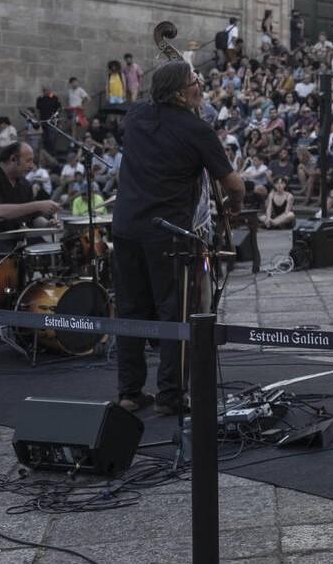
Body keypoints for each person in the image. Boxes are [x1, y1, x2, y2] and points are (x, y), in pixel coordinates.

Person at [110, 60, 245, 415]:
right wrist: (235, 207)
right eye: (193, 81)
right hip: (167, 235)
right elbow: (233, 183)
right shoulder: (196, 129)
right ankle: (170, 395)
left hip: (125, 227)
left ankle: (129, 392)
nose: (199, 84)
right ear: (180, 92)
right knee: (174, 312)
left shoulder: (137, 116)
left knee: (130, 310)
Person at [0, 142, 61, 251]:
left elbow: (33, 218)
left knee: (49, 252)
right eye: (28, 161)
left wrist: (47, 224)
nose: (32, 166)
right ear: (13, 159)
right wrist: (37, 205)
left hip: (18, 238)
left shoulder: (24, 184)